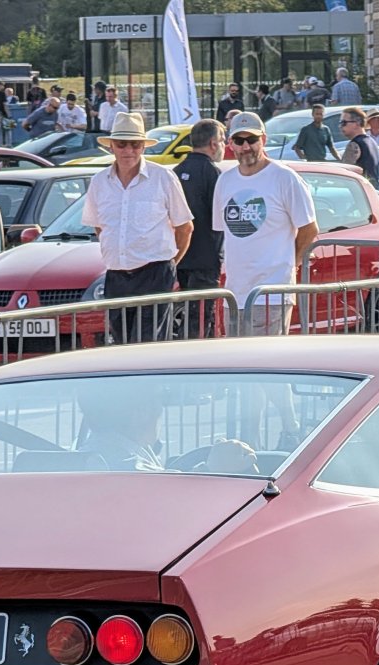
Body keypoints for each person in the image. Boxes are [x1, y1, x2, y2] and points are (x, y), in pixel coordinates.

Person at [213, 111, 317, 448]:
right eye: (239, 140)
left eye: (251, 140)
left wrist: (289, 267)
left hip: (271, 291)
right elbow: (224, 233)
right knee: (246, 372)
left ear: (263, 140)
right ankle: (251, 440)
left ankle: (289, 428)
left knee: (265, 368)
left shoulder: (284, 178)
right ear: (230, 144)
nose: (246, 147)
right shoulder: (225, 181)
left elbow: (309, 229)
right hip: (236, 292)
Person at [80, 112, 193, 345]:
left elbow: (185, 227)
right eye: (122, 144)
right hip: (116, 276)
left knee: (147, 346)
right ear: (111, 146)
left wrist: (169, 264)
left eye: (135, 144)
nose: (128, 150)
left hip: (155, 274)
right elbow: (100, 227)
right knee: (121, 344)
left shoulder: (163, 177)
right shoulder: (99, 182)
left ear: (143, 147)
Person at [174, 119, 225, 338]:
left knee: (189, 316)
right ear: (213, 143)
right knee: (202, 319)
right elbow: (222, 217)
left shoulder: (175, 172)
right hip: (205, 260)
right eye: (222, 140)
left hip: (180, 258)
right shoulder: (213, 173)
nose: (224, 146)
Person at [339, 107, 379, 182]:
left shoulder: (354, 144)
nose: (340, 126)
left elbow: (344, 173)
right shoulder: (372, 141)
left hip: (359, 188)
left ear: (357, 123)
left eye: (343, 123)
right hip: (372, 187)